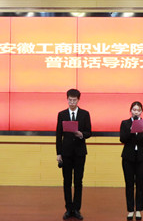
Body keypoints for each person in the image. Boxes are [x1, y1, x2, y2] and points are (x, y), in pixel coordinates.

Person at [56, 88, 92, 220]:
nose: (72, 102)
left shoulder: (85, 114)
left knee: (78, 181)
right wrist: (58, 153)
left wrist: (81, 134)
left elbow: (89, 132)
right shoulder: (62, 114)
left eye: (74, 100)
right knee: (66, 181)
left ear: (78, 100)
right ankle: (68, 209)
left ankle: (76, 209)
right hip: (66, 153)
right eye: (70, 100)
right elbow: (58, 135)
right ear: (67, 100)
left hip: (79, 152)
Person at [120, 101, 143, 221]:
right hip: (128, 157)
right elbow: (122, 139)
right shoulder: (125, 123)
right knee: (129, 184)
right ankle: (130, 210)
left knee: (140, 184)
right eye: (134, 110)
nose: (136, 112)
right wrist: (131, 130)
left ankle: (138, 209)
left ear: (141, 112)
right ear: (130, 111)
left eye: (138, 110)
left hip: (141, 158)